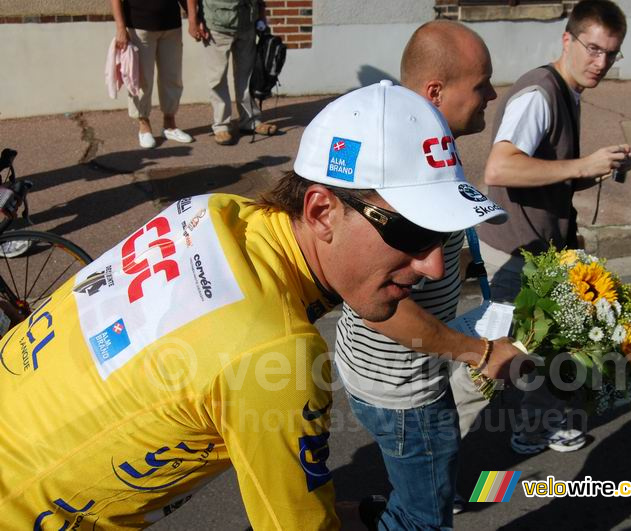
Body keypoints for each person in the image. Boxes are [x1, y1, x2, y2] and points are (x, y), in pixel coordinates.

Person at [0, 81, 507, 529]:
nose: (435, 267)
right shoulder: (279, 354)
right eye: (413, 233)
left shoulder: (215, 211)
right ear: (322, 210)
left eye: (443, 237)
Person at [335, 21, 528, 528]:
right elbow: (382, 303)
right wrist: (480, 353)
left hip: (393, 368)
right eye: (481, 82)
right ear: (435, 91)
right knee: (426, 516)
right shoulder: (405, 169)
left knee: (413, 494)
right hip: (404, 387)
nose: (491, 93)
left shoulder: (428, 146)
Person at [472, 0, 631, 455]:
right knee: (516, 350)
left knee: (530, 345)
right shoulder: (539, 94)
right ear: (568, 40)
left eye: (611, 53)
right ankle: (444, 456)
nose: (600, 62)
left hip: (535, 245)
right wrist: (583, 163)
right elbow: (499, 170)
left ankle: (525, 426)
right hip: (512, 251)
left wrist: (594, 169)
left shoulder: (568, 90)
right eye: (593, 48)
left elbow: (547, 167)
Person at [186, 0, 277, 145]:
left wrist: (261, 15)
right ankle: (221, 125)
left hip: (247, 23)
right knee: (217, 78)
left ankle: (250, 121)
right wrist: (193, 20)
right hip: (216, 25)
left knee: (247, 76)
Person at [110, 0, 194, 149]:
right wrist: (120, 27)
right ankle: (144, 125)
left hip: (171, 25)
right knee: (142, 80)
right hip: (139, 25)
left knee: (172, 77)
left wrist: (195, 17)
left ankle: (170, 125)